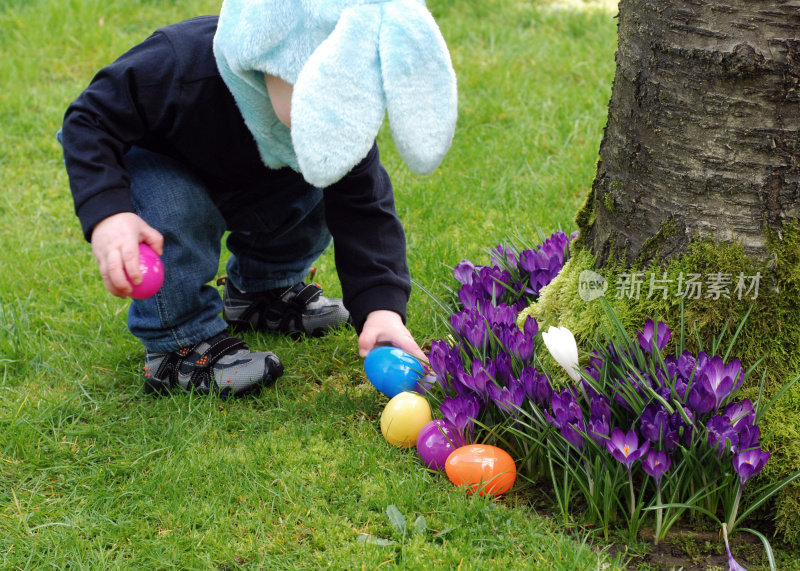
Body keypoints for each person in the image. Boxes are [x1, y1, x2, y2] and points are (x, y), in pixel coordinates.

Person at [59, 1, 457, 397]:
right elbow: (88, 119)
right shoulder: (180, 64)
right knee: (177, 206)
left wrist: (381, 311)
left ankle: (263, 291)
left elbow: (366, 214)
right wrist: (109, 214)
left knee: (321, 175)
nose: (336, 116)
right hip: (160, 161)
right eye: (318, 93)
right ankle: (178, 346)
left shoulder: (336, 126)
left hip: (244, 174)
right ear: (269, 56)